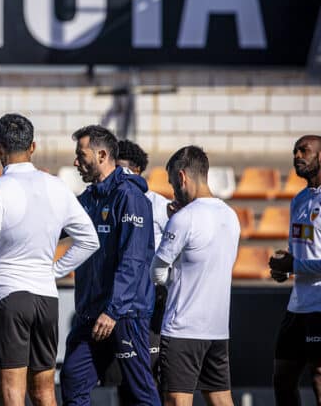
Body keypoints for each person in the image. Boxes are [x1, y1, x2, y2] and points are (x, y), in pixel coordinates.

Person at [0, 114, 99, 406]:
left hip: (6, 295)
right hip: (45, 298)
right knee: (44, 392)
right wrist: (53, 271)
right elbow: (90, 239)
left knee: (12, 394)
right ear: (32, 146)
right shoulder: (56, 186)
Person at [60, 125, 159, 406]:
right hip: (92, 313)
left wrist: (113, 310)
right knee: (73, 379)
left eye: (81, 155)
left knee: (140, 392)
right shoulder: (90, 198)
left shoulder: (129, 196)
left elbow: (134, 259)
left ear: (102, 154)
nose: (76, 162)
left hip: (124, 314)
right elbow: (53, 227)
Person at [150, 146, 239, 406]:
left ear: (182, 177)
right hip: (217, 329)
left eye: (171, 183)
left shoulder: (184, 218)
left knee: (177, 400)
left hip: (183, 329)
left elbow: (156, 271)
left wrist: (175, 280)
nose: (173, 191)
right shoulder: (231, 216)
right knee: (221, 398)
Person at [116, 139, 172, 389]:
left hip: (150, 301)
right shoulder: (113, 201)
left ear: (137, 169)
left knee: (149, 372)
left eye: (122, 168)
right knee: (121, 377)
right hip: (119, 298)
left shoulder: (159, 206)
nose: (117, 175)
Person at [269, 135, 321, 406]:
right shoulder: (299, 200)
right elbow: (299, 253)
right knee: (282, 379)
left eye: (304, 151)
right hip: (297, 306)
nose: (297, 156)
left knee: (318, 377)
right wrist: (284, 269)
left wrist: (295, 266)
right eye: (295, 151)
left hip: (319, 306)